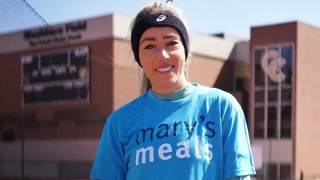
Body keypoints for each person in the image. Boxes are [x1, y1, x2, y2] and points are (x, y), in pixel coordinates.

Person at [90, 1, 256, 180]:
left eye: (171, 42)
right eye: (149, 46)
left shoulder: (221, 107)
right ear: (139, 58)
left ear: (185, 50)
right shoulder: (119, 123)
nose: (162, 55)